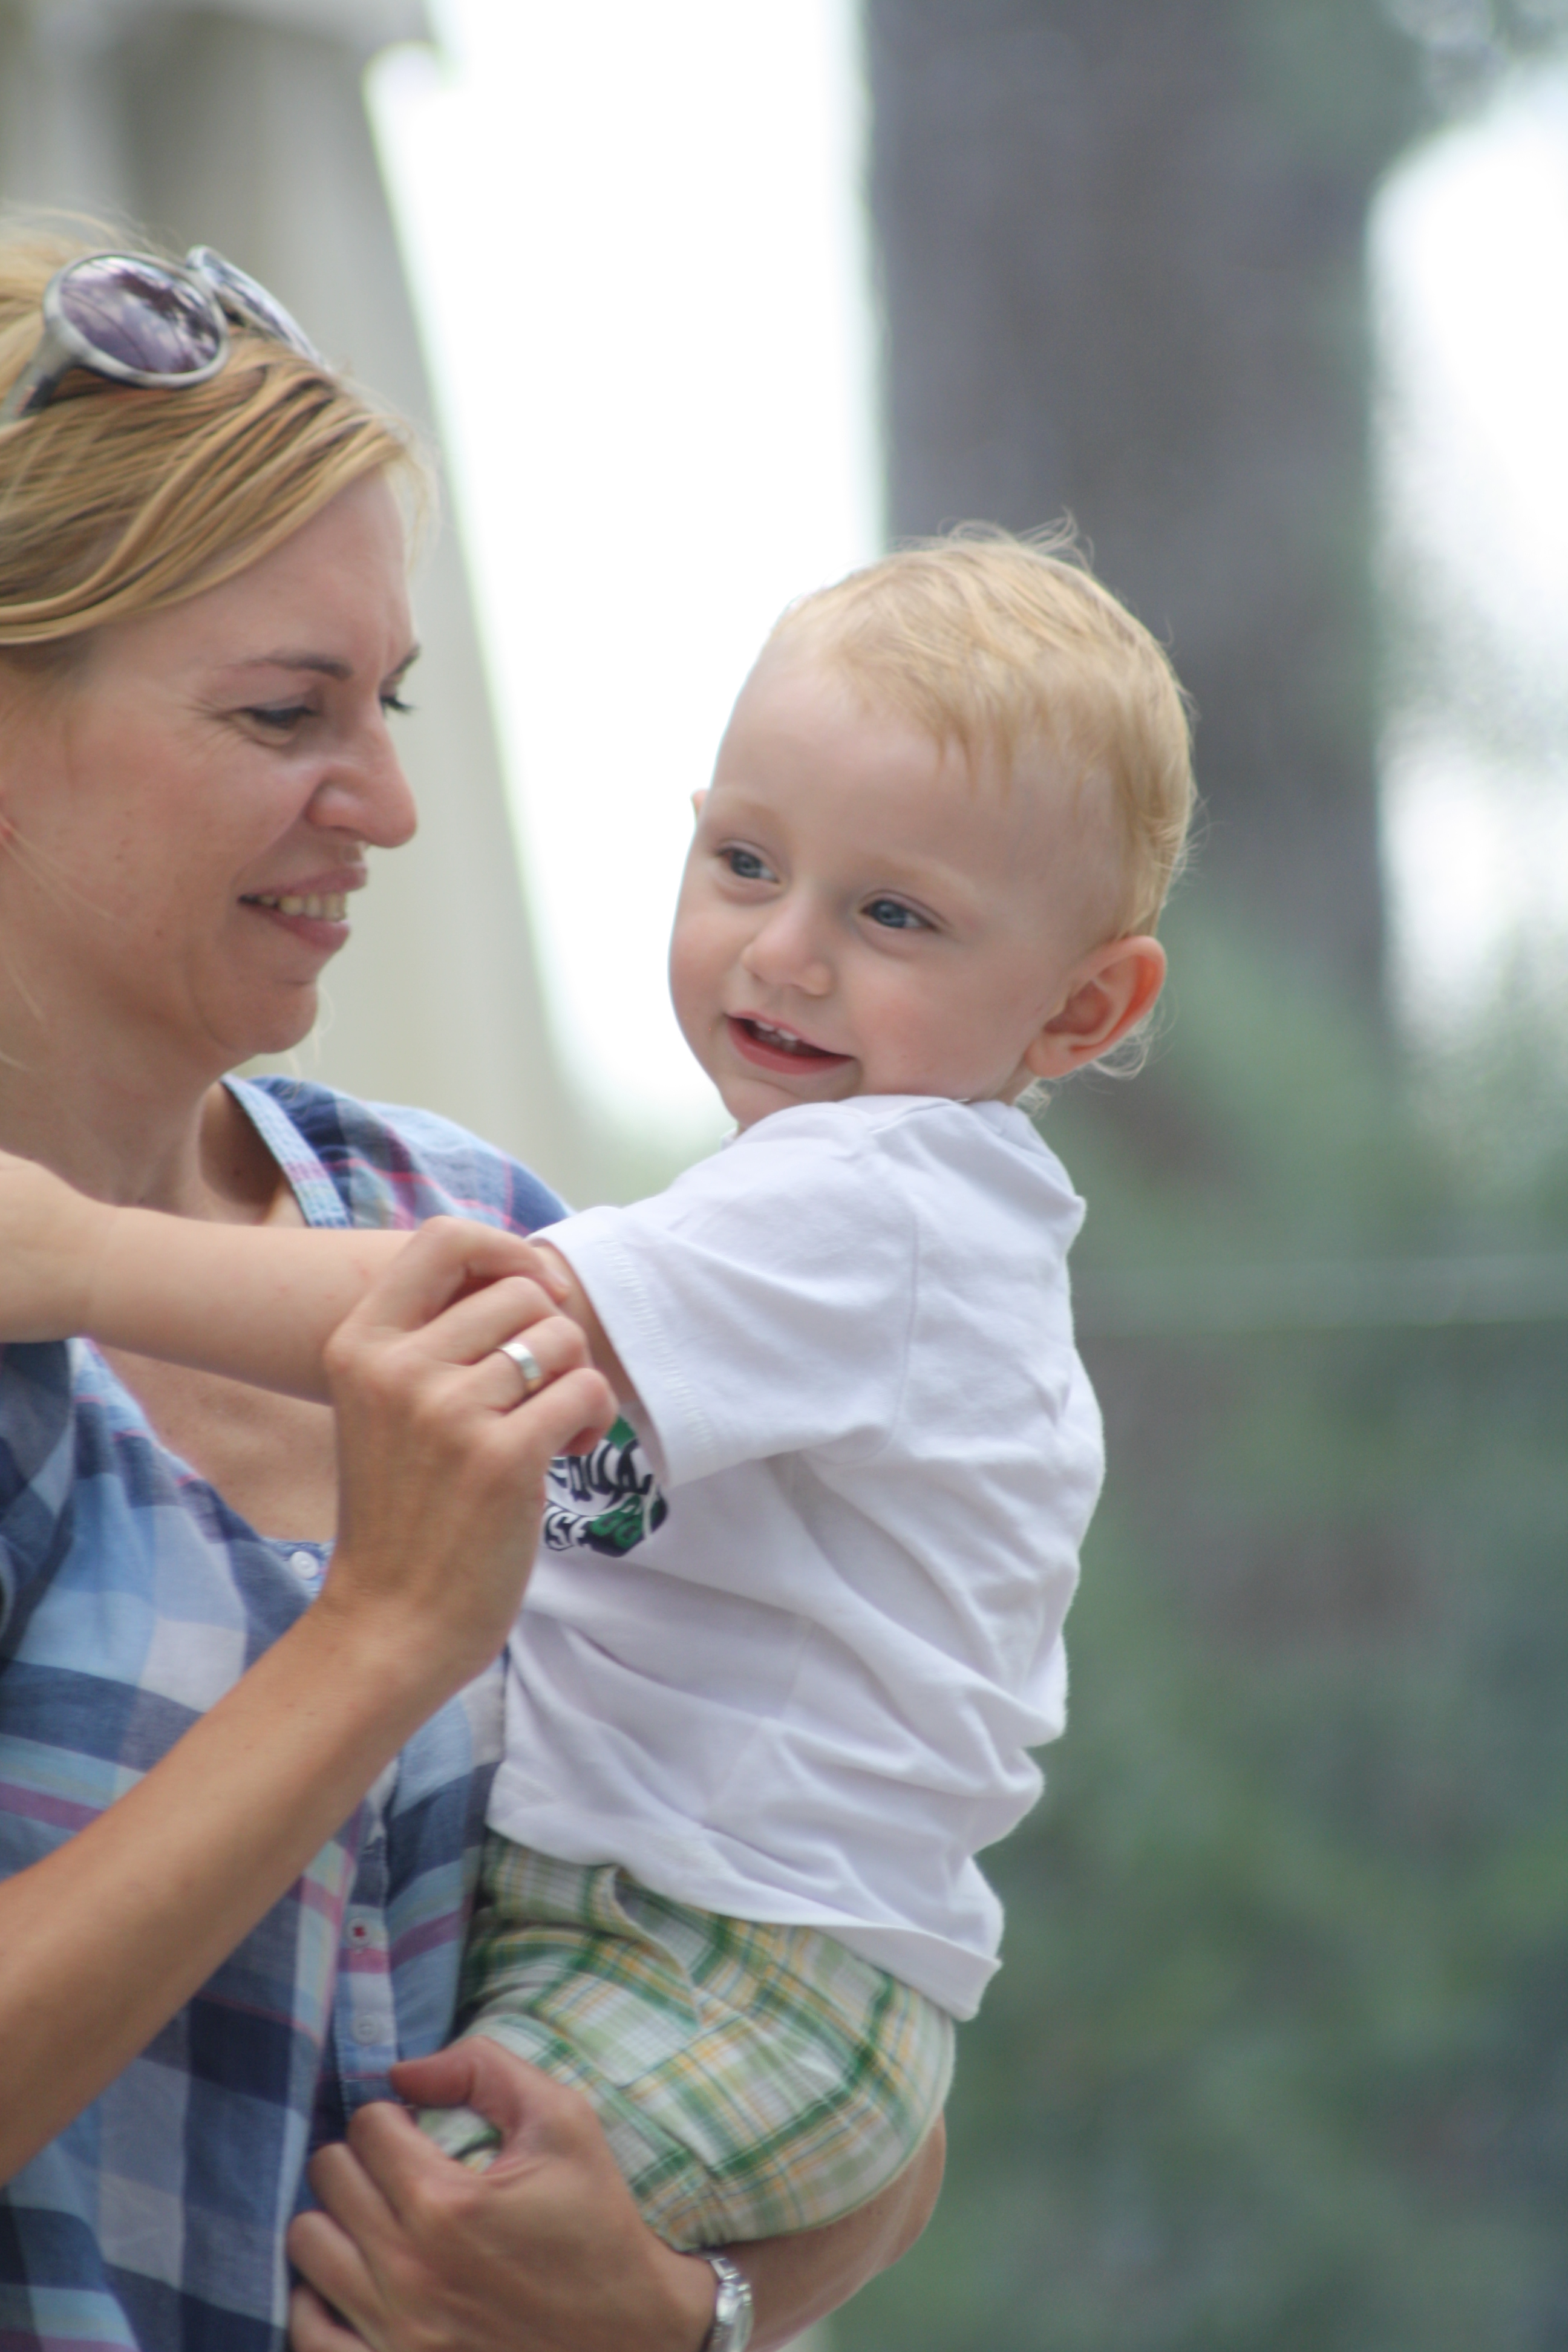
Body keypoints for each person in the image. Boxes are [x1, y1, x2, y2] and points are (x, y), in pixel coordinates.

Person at [0, 531, 1194, 2255]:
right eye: (745, 862)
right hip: (708, 1942)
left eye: (893, 914)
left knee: (392, 2252)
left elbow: (480, 1324)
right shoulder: (811, 1216)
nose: (785, 953)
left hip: (726, 1951)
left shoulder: (883, 1200)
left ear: (1085, 1005)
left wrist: (75, 1257)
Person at [0, 224, 942, 2352]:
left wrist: (676, 2311)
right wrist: (381, 1640)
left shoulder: (469, 1218)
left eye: (390, 702)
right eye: (285, 713)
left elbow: (837, 1963)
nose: (394, 804)